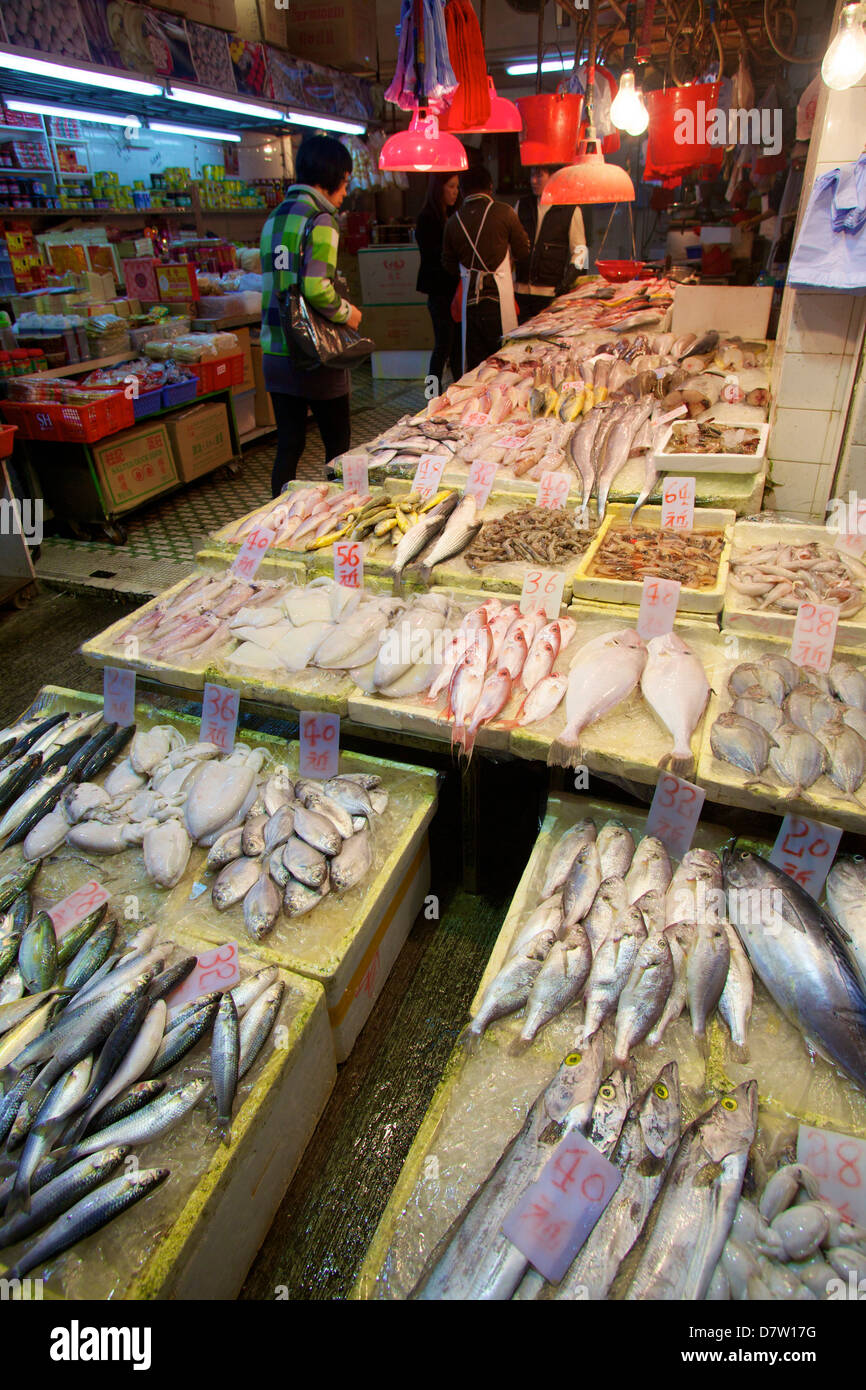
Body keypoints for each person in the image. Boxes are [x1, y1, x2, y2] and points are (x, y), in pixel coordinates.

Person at [260, 135, 362, 497]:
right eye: (346, 182)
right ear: (329, 176)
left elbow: (281, 284)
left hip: (276, 351)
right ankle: (342, 521)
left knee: (289, 445)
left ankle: (275, 523)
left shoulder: (274, 219)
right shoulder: (321, 220)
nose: (345, 192)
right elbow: (317, 287)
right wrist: (348, 313)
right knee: (339, 449)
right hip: (316, 354)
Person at [442, 164, 530, 374]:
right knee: (505, 368)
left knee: (477, 373)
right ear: (490, 187)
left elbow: (448, 265)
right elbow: (524, 250)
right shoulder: (505, 213)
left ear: (463, 191)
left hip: (471, 308)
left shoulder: (453, 222)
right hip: (499, 306)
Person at [514, 166, 588, 324]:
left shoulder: (571, 210)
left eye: (539, 176)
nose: (534, 181)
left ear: (553, 177)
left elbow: (581, 252)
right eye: (532, 175)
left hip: (549, 294)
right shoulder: (522, 205)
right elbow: (509, 246)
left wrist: (568, 281)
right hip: (519, 291)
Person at [414, 172, 462, 391]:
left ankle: (460, 393)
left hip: (454, 291)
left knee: (456, 348)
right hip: (439, 292)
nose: (455, 192)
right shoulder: (427, 218)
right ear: (438, 188)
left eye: (457, 187)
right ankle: (431, 394)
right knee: (442, 347)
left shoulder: (453, 215)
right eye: (451, 186)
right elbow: (435, 256)